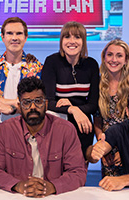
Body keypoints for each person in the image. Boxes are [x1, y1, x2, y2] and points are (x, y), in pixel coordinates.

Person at [0, 77, 87, 197]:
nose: (33, 107)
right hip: (18, 196)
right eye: (26, 103)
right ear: (19, 106)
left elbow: (78, 173)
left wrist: (52, 186)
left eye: (38, 101)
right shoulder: (5, 130)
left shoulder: (66, 130)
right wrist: (18, 185)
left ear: (46, 103)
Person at [41, 21, 99, 161]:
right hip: (57, 127)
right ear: (61, 41)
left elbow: (93, 105)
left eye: (77, 37)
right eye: (67, 37)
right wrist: (72, 110)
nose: (72, 41)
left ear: (83, 41)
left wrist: (75, 108)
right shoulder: (52, 62)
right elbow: (46, 102)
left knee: (79, 173)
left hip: (83, 126)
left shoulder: (91, 65)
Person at [93, 39, 129, 177]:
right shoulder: (98, 84)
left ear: (126, 59)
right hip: (108, 152)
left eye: (119, 55)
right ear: (104, 58)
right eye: (110, 55)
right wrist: (103, 148)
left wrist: (126, 150)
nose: (114, 59)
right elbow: (98, 120)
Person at [0, 17, 42, 120]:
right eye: (10, 33)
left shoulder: (36, 67)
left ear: (25, 37)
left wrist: (10, 108)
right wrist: (19, 102)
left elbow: (35, 103)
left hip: (29, 126)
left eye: (19, 33)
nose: (14, 38)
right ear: (3, 37)